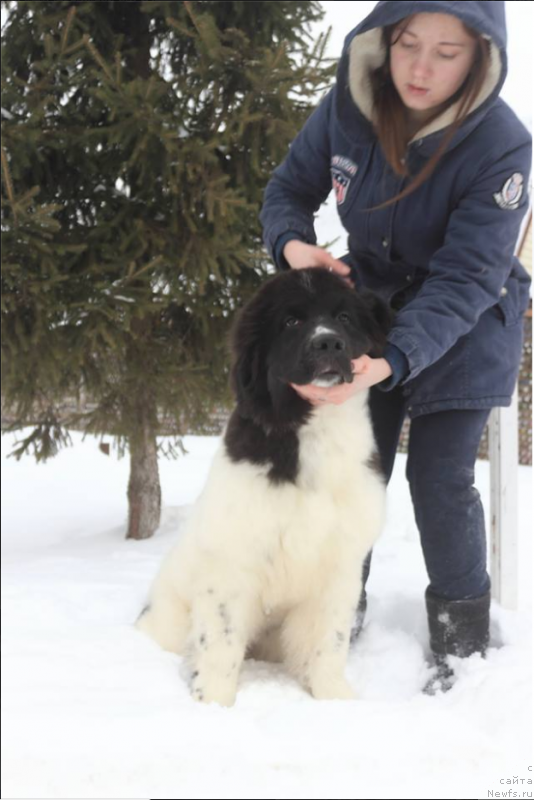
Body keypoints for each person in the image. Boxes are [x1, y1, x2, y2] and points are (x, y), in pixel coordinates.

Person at [259, 1, 532, 693]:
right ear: (386, 39)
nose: (421, 67)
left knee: (437, 481)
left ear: (480, 56)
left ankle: (464, 643)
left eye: (448, 52)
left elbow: (469, 275)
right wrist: (294, 245)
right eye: (410, 44)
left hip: (468, 316)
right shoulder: (349, 108)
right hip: (370, 304)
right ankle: (334, 611)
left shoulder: (502, 145)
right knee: (354, 471)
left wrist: (393, 361)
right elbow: (290, 188)